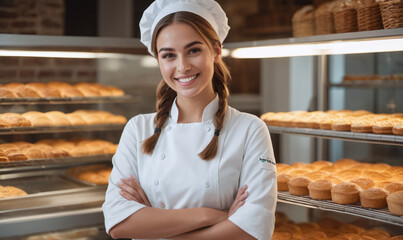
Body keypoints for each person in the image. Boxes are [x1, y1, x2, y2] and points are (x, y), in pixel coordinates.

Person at [102, 0, 277, 239]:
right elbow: (118, 223)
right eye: (169, 55)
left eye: (193, 50)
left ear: (216, 51)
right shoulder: (138, 129)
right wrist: (213, 215)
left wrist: (153, 224)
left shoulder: (249, 129)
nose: (182, 66)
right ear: (159, 61)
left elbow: (255, 228)